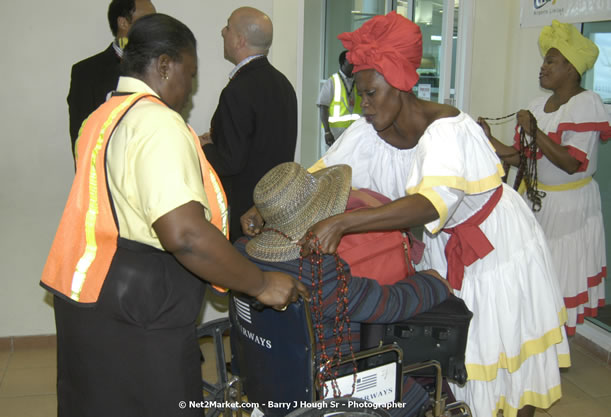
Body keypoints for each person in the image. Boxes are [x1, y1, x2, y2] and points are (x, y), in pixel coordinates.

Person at [242, 12, 570, 417]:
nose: (364, 104)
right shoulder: (368, 132)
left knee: (500, 345)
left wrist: (343, 221)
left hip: (496, 246)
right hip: (444, 243)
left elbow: (431, 204)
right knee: (457, 350)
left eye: (372, 93)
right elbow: (318, 177)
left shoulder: (449, 129)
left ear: (400, 84)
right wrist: (263, 206)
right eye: (360, 93)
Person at [42, 14, 307, 417]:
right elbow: (183, 234)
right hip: (142, 304)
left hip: (91, 296)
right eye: (190, 73)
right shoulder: (157, 122)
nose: (190, 89)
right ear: (165, 65)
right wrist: (261, 283)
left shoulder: (102, 116)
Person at [236, 161, 452, 417]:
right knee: (423, 377)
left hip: (270, 371)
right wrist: (433, 282)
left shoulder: (241, 253)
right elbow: (387, 304)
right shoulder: (317, 272)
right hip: (329, 381)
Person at [479, 19, 610, 337]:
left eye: (551, 60)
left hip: (569, 209)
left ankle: (558, 345)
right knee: (534, 271)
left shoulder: (586, 103)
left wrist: (534, 132)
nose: (543, 66)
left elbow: (571, 163)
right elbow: (518, 157)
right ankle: (537, 340)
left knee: (561, 274)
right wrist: (487, 139)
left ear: (571, 67)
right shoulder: (538, 105)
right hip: (537, 203)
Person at [200, 6, 298, 242]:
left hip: (242, 216)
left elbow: (230, 162)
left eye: (228, 27)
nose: (223, 32)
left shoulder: (237, 91)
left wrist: (205, 145)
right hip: (274, 211)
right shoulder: (284, 85)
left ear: (240, 40)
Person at [67, 0, 156, 157]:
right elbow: (82, 141)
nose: (156, 26)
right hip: (107, 174)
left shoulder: (161, 66)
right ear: (123, 23)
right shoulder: (86, 73)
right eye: (147, 19)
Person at [318, 50, 362, 146]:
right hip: (334, 133)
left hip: (354, 134)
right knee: (332, 161)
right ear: (343, 63)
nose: (353, 64)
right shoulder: (332, 82)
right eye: (350, 61)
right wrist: (327, 132)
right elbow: (323, 107)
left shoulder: (358, 82)